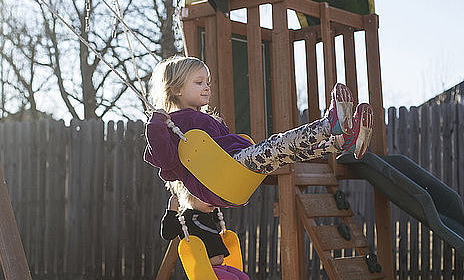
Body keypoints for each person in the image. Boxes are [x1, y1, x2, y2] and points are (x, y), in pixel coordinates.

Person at [144, 55, 374, 207]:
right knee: (279, 144)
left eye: (208, 82)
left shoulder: (204, 120)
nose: (207, 88)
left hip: (238, 170)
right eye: (199, 83)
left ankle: (342, 141)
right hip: (222, 176)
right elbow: (165, 161)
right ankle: (329, 125)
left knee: (287, 152)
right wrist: (156, 125)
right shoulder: (171, 126)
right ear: (176, 89)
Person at [161, 181, 254, 280]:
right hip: (207, 270)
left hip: (221, 267)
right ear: (189, 196)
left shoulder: (209, 215)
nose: (211, 200)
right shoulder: (186, 219)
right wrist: (171, 210)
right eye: (206, 197)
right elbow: (168, 233)